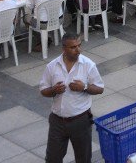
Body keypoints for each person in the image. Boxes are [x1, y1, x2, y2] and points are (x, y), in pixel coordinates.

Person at [39, 33, 104, 163]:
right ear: (64, 48)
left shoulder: (88, 64)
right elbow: (43, 90)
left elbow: (100, 88)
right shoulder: (52, 66)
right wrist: (53, 90)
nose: (78, 50)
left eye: (79, 45)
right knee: (52, 158)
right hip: (57, 121)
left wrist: (84, 87)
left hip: (80, 121)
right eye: (73, 47)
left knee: (83, 158)